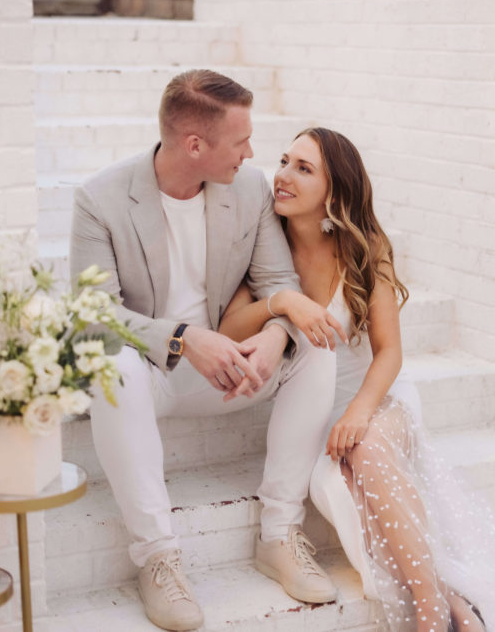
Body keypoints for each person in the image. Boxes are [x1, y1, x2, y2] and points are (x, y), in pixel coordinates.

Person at [218, 128, 495, 632]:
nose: (282, 176)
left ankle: (429, 609)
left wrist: (361, 410)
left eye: (303, 168)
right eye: (283, 161)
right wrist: (279, 302)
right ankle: (450, 602)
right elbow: (228, 329)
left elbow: (389, 353)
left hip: (375, 395)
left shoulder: (366, 248)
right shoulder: (262, 246)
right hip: (307, 408)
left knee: (364, 451)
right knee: (337, 481)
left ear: (335, 191)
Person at [69, 71, 345, 631]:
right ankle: (158, 559)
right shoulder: (99, 199)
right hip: (154, 373)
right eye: (240, 140)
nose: (251, 153)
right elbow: (93, 315)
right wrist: (182, 337)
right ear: (195, 145)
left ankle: (279, 534)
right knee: (111, 365)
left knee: (316, 349)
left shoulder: (248, 190)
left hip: (234, 369)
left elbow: (277, 281)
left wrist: (272, 337)